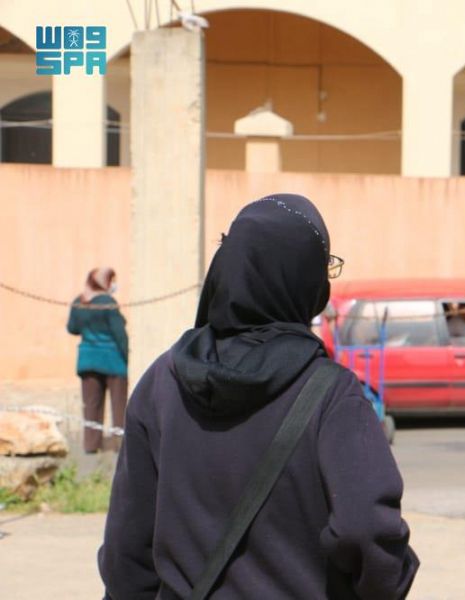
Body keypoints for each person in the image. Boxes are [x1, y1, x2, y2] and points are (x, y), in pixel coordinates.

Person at [98, 194, 419, 599]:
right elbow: (366, 528)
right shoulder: (331, 394)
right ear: (306, 281)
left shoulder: (162, 381)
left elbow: (128, 544)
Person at [66, 267, 128, 454]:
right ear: (104, 282)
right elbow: (120, 334)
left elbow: (72, 328)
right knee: (118, 405)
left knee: (91, 405)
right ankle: (121, 446)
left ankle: (92, 445)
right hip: (113, 360)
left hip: (88, 360)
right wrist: (126, 357)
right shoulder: (108, 303)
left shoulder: (79, 301)